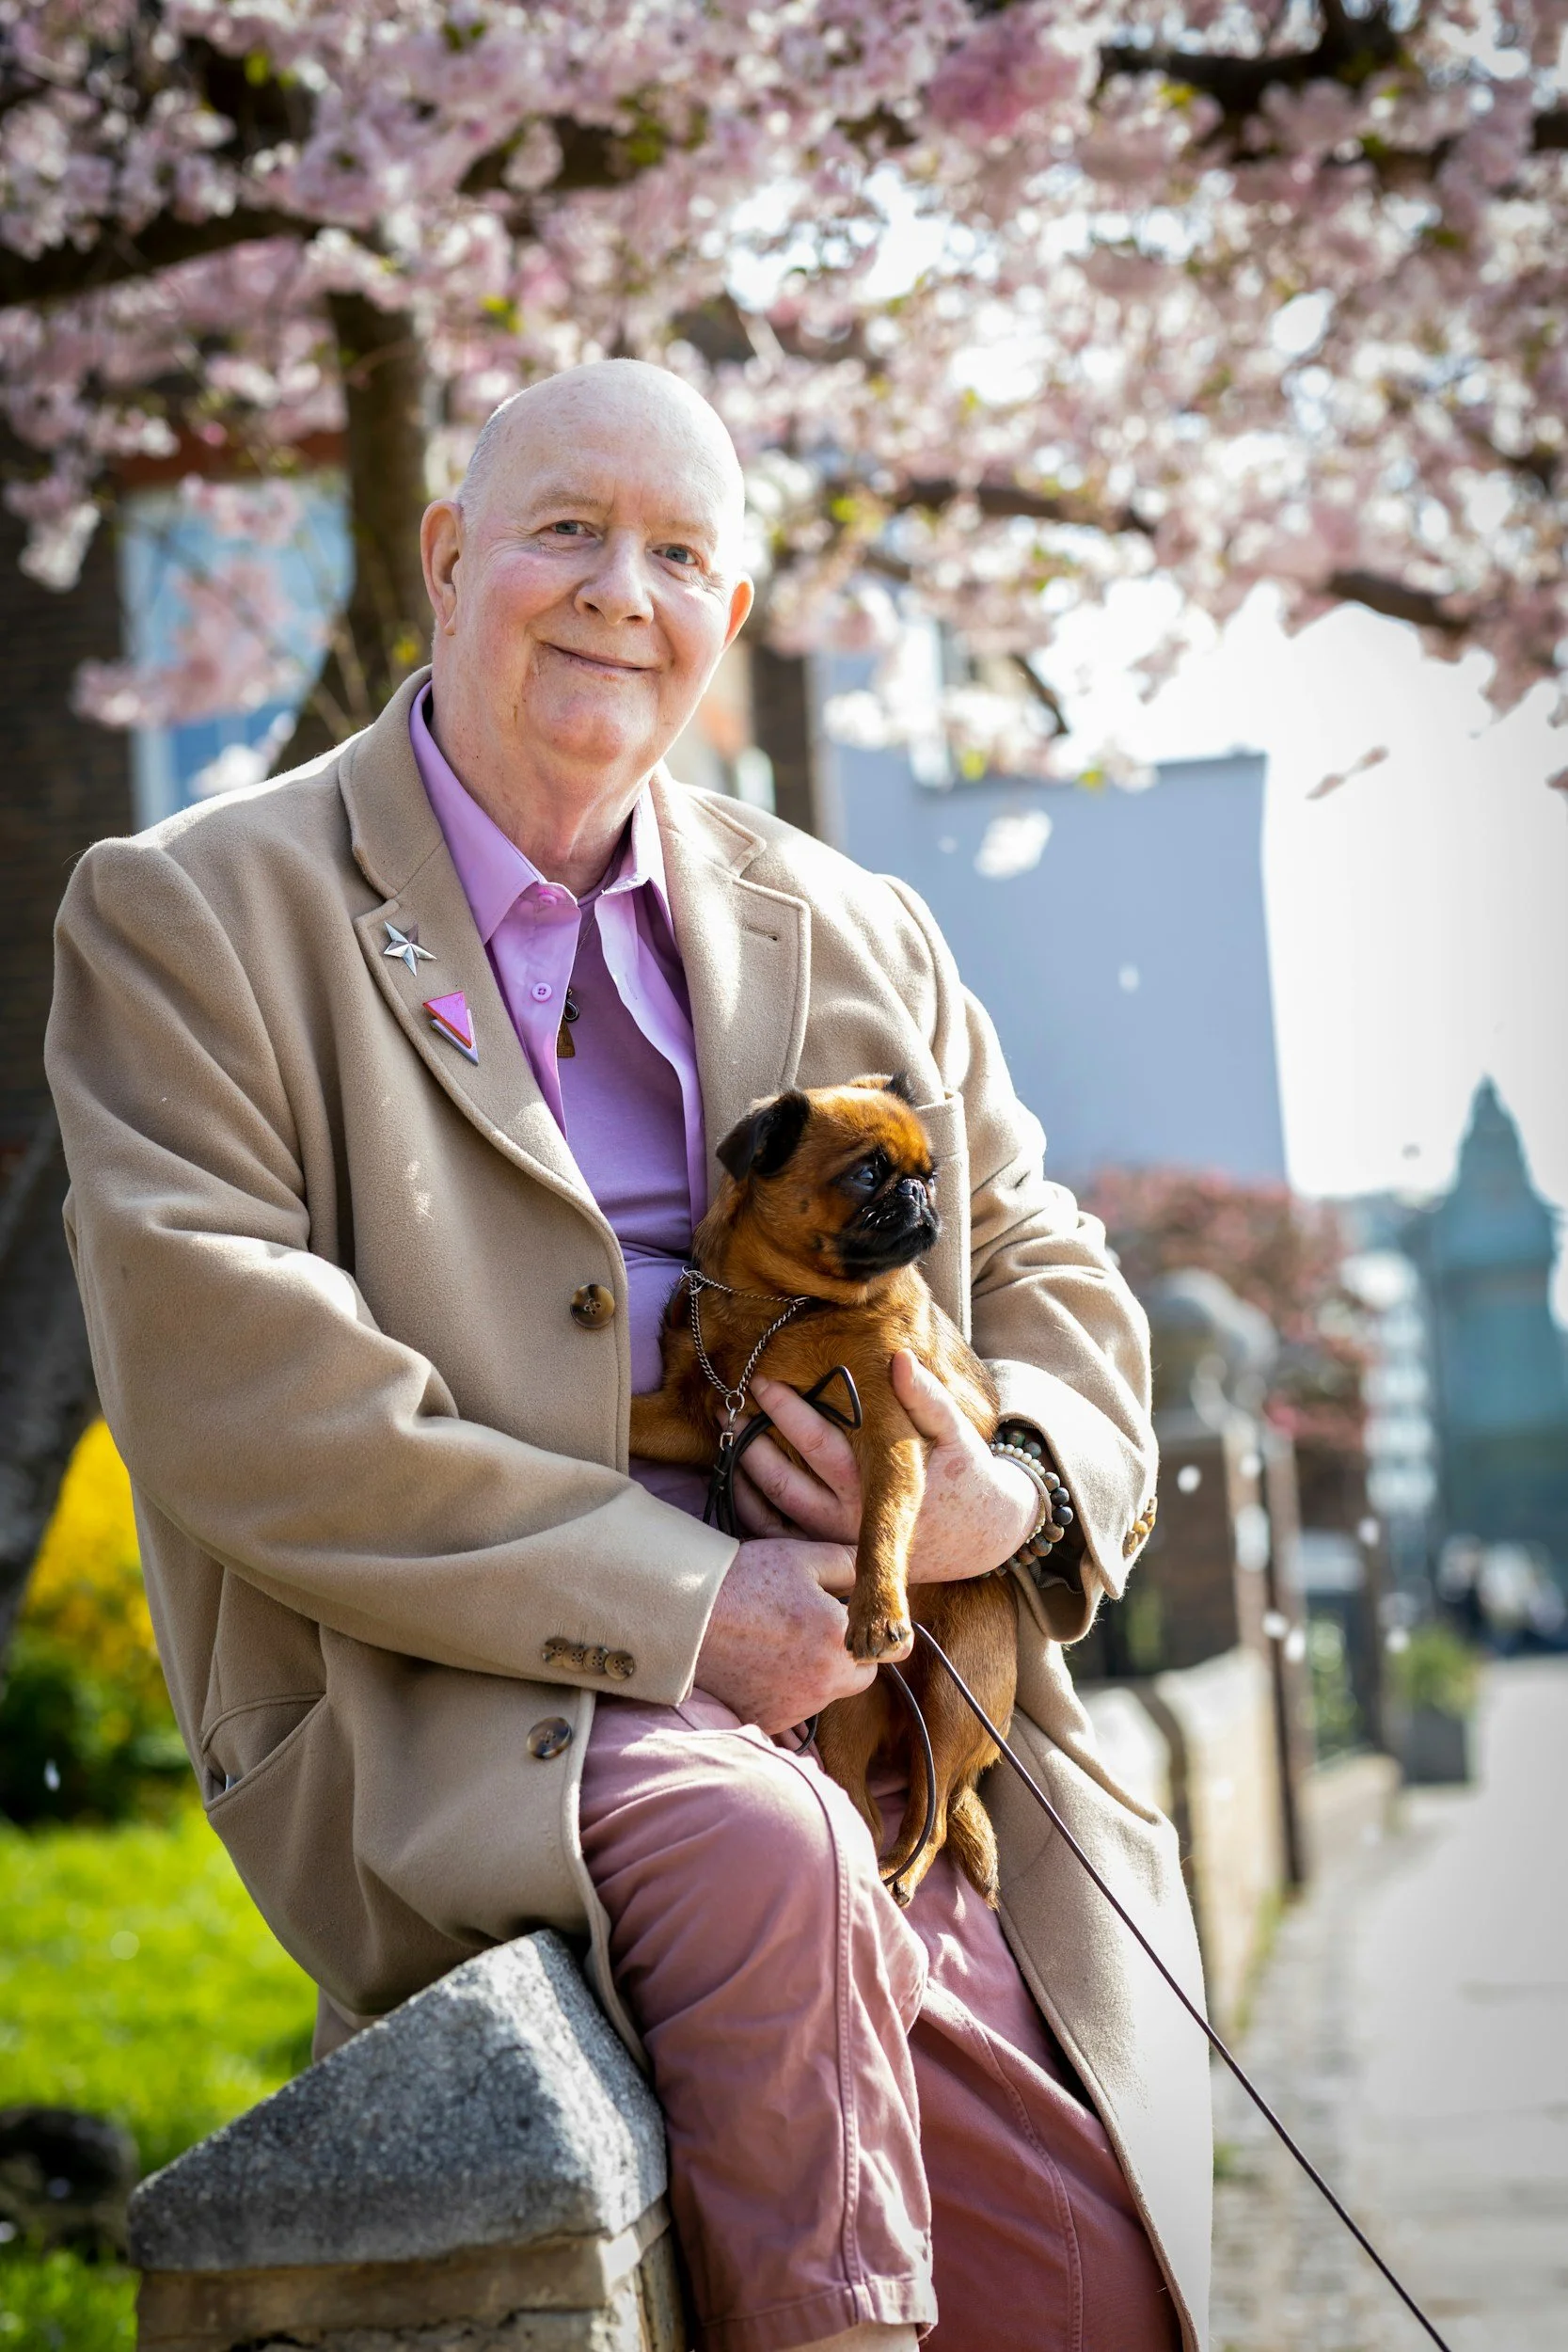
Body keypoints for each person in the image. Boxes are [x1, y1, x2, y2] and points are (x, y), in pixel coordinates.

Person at [47, 361, 1212, 2352]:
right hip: (470, 1690)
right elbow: (244, 1390)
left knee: (1080, 2249)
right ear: (446, 554)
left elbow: (1049, 1265)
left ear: (728, 625)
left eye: (678, 553)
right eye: (566, 529)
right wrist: (697, 1605)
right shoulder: (193, 913)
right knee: (761, 1859)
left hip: (891, 1685)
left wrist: (992, 1492)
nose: (618, 590)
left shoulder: (858, 922)